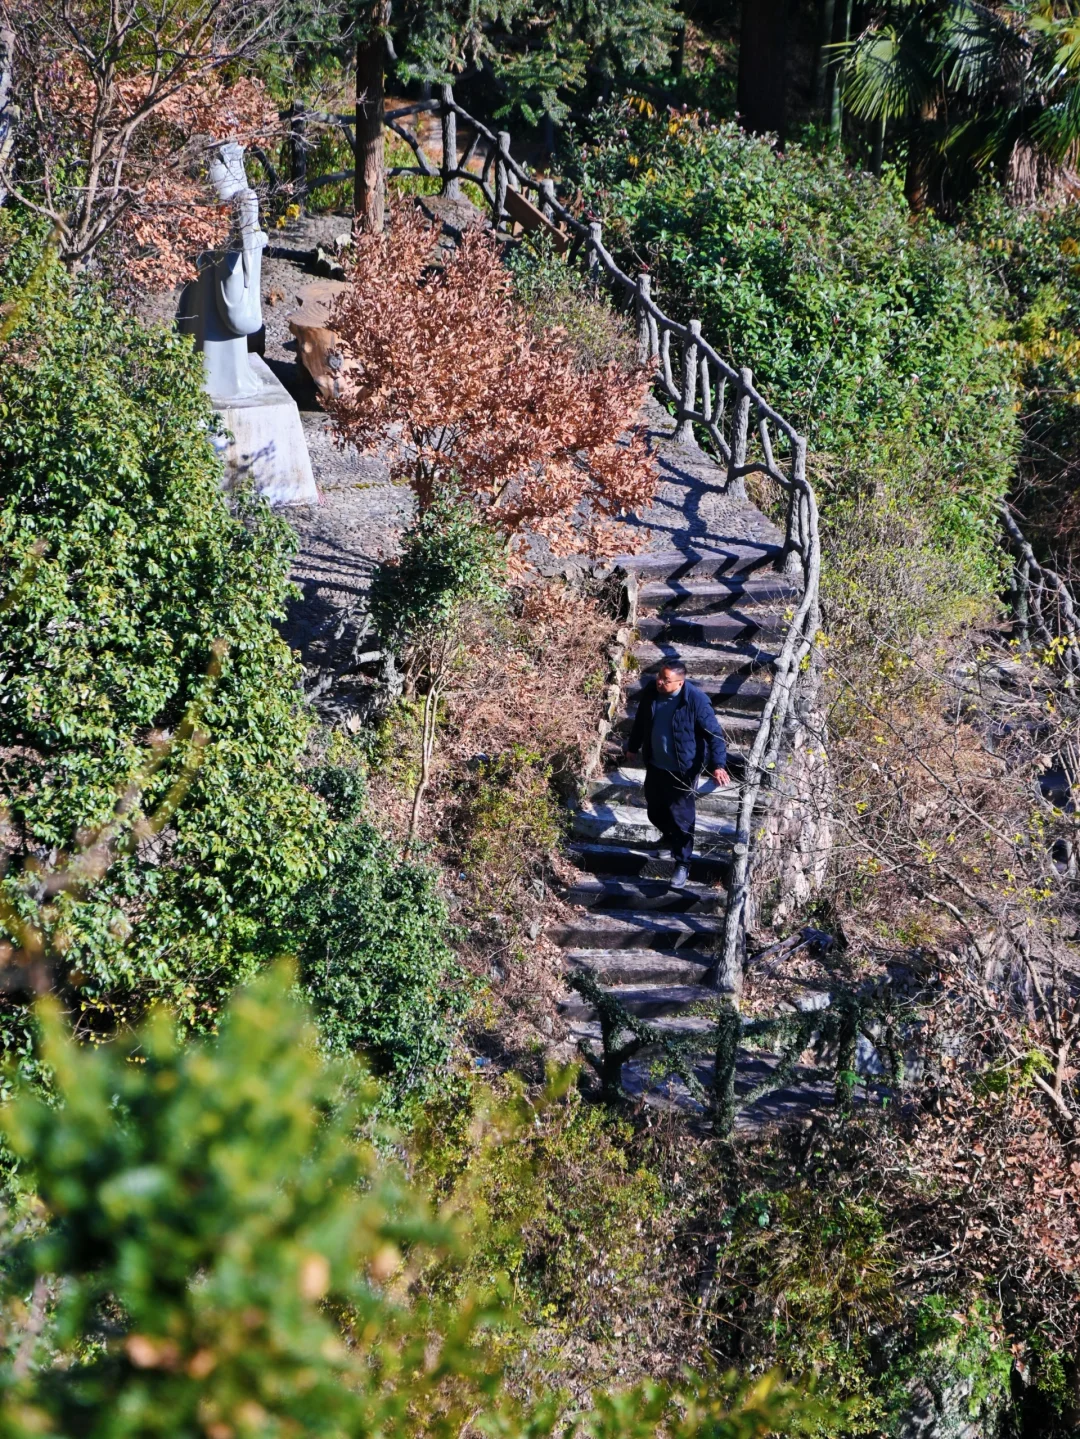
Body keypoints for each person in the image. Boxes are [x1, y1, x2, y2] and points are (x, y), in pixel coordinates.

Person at [624, 659, 729, 889]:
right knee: (654, 810)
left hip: (684, 768)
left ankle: (683, 863)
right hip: (656, 764)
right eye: (659, 677)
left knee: (682, 818)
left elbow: (715, 735)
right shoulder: (652, 692)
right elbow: (641, 721)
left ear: (680, 683)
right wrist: (633, 746)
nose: (660, 682)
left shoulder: (696, 701)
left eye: (666, 680)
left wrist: (718, 765)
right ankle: (670, 838)